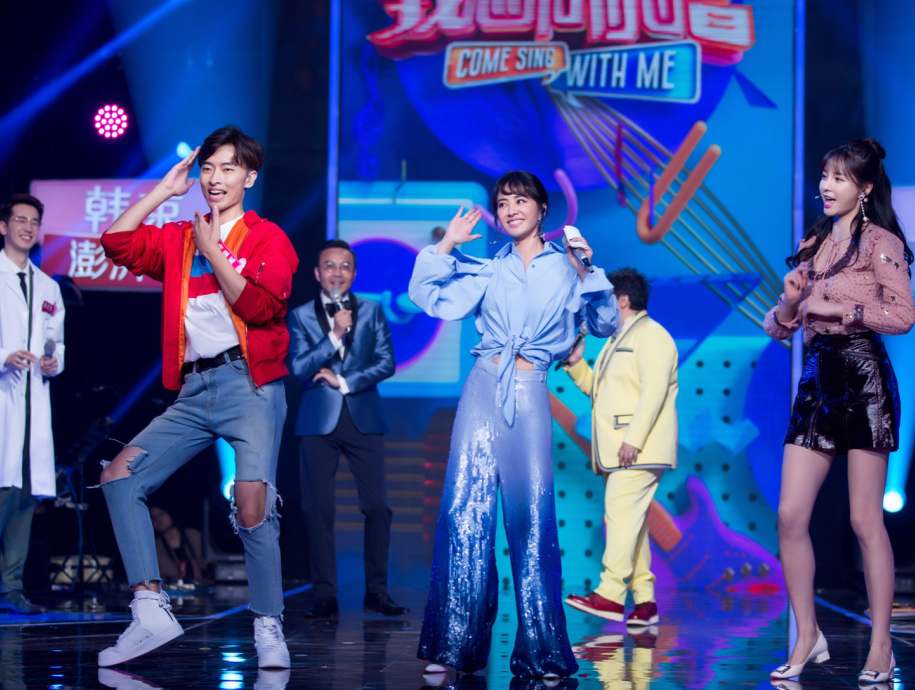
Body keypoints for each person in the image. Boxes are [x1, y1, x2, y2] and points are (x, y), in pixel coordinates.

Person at [95, 125, 299, 668]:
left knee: (251, 507)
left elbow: (261, 309)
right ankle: (149, 609)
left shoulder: (268, 238)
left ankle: (267, 624)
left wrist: (216, 253)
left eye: (228, 168)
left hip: (250, 386)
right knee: (119, 477)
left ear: (249, 177)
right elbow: (115, 243)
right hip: (194, 388)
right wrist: (162, 193)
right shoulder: (181, 239)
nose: (214, 178)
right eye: (208, 167)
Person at [409, 171, 619, 680]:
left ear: (543, 210)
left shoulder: (569, 266)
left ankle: (542, 651)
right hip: (482, 388)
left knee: (531, 520)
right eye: (502, 203)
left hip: (529, 392)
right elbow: (426, 295)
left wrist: (588, 269)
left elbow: (606, 323)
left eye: (520, 200)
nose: (510, 209)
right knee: (464, 512)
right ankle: (453, 645)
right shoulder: (487, 268)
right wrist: (447, 244)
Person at [764, 139, 914, 683]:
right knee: (789, 515)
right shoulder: (813, 243)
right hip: (816, 379)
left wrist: (842, 308)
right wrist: (790, 302)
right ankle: (808, 634)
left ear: (865, 188)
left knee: (863, 519)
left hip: (863, 377)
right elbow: (778, 327)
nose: (827, 186)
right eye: (825, 176)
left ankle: (881, 645)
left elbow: (903, 316)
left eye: (840, 178)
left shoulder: (881, 243)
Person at [287, 239, 405, 619]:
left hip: (363, 415)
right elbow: (299, 367)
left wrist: (343, 381)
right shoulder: (300, 316)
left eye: (345, 266)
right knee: (317, 508)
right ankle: (325, 595)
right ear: (317, 273)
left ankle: (377, 591)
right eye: (329, 266)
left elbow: (387, 362)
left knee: (378, 507)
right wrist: (334, 337)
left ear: (353, 273)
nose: (337, 273)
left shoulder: (371, 310)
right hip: (317, 420)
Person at [560, 267, 678, 627]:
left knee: (619, 515)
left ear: (622, 300)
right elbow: (601, 393)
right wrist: (576, 365)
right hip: (619, 450)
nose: (600, 307)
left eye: (605, 298)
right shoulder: (617, 338)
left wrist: (633, 440)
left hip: (638, 449)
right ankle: (645, 602)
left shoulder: (652, 335)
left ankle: (610, 595)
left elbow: (655, 392)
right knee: (633, 523)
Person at [0, 193, 65, 616]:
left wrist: (54, 362)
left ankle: (11, 590)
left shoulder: (48, 286)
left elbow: (58, 342)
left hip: (33, 402)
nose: (27, 228)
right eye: (20, 220)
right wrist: (2, 356)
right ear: (3, 226)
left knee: (25, 499)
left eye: (34, 221)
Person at [151, 506, 211, 585]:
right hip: (172, 589)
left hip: (201, 587)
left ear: (170, 513)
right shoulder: (155, 546)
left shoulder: (193, 535)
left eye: (161, 514)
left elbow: (209, 564)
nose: (158, 520)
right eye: (153, 517)